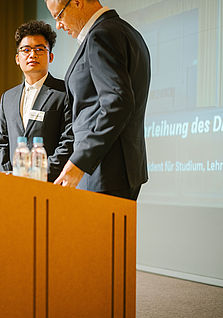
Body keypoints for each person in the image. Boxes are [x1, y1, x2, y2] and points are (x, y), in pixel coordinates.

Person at [44, 0, 151, 200]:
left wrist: (80, 161)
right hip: (115, 171)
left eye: (59, 16)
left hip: (104, 171)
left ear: (77, 2)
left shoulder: (101, 35)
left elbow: (117, 104)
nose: (58, 25)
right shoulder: (128, 33)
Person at [0, 20, 73, 182]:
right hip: (13, 185)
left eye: (39, 49)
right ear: (17, 58)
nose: (32, 54)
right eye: (26, 49)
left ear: (50, 56)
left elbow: (69, 140)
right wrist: (10, 177)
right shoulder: (8, 97)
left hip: (51, 183)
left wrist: (41, 174)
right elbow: (0, 144)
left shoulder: (64, 92)